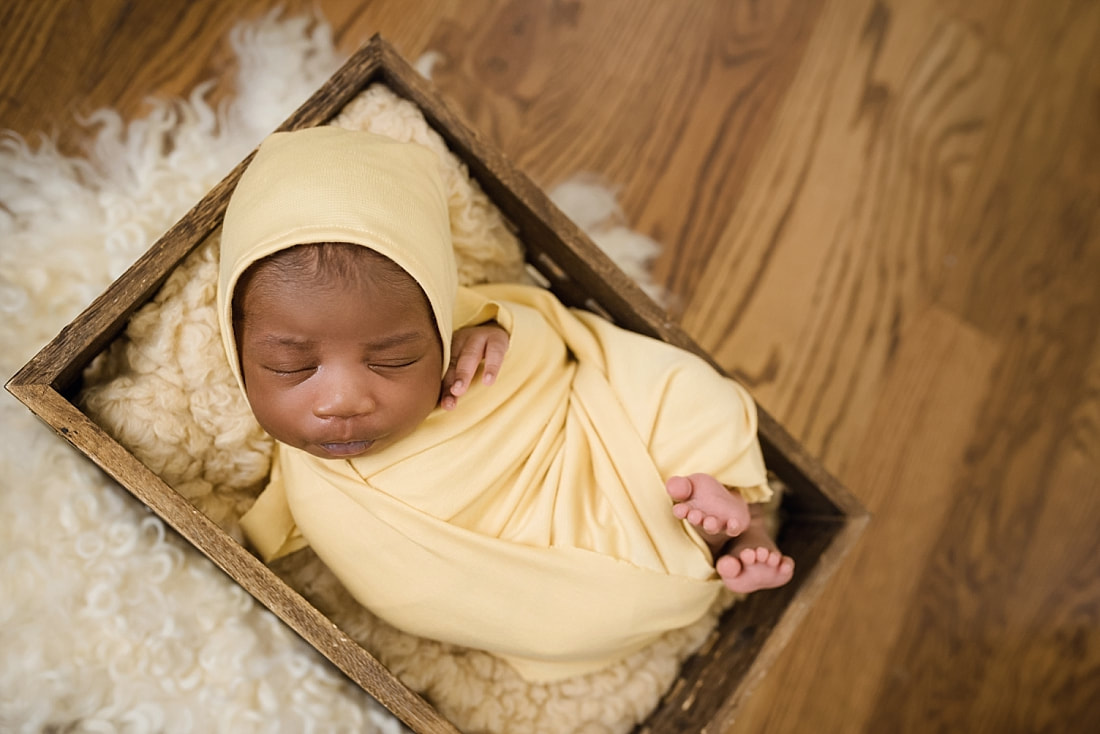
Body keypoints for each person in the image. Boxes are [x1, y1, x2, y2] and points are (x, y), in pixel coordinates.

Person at [217, 126, 793, 682]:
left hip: (589, 455)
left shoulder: (476, 336)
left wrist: (501, 332)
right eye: (292, 367)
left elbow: (557, 352)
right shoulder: (306, 484)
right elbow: (277, 543)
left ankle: (739, 525)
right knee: (557, 615)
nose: (343, 401)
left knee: (684, 391)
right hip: (554, 589)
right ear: (236, 345)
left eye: (393, 359)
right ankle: (711, 542)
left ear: (439, 321)